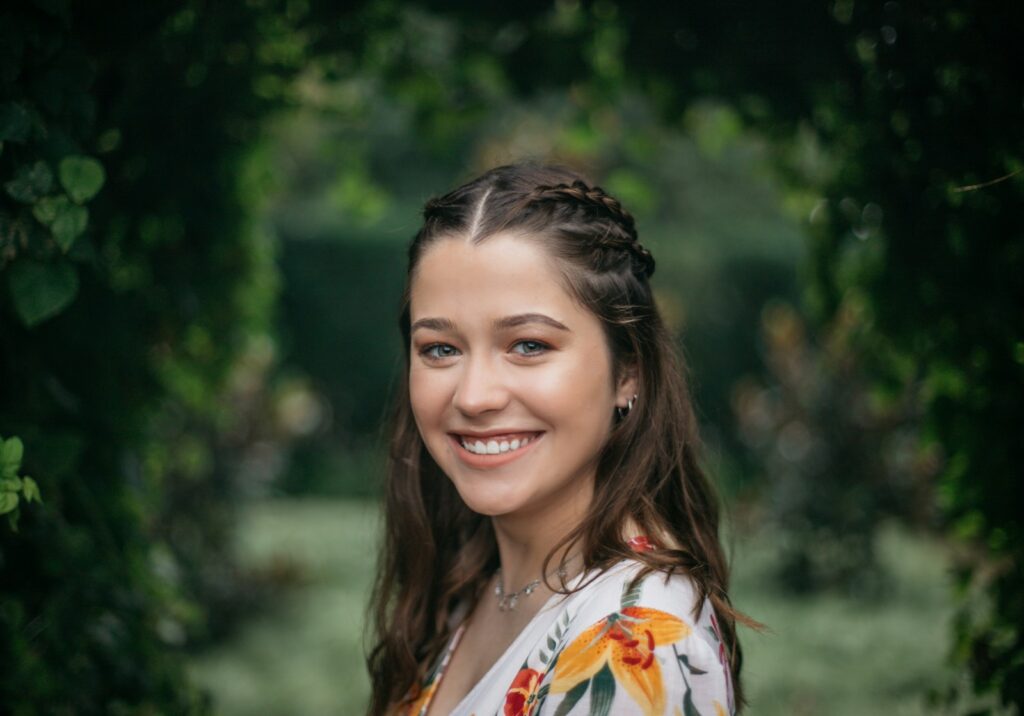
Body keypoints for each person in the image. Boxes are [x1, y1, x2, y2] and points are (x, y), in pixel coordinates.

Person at [367, 164, 749, 716]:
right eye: (441, 349)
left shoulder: (633, 648)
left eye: (527, 345)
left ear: (628, 372)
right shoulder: (467, 587)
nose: (474, 397)